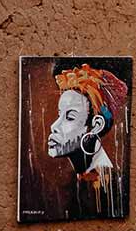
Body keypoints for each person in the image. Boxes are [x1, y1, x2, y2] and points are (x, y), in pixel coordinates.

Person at [43, 62, 128, 219]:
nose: (54, 126)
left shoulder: (107, 188)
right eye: (59, 114)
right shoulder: (79, 182)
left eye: (69, 117)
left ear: (95, 126)